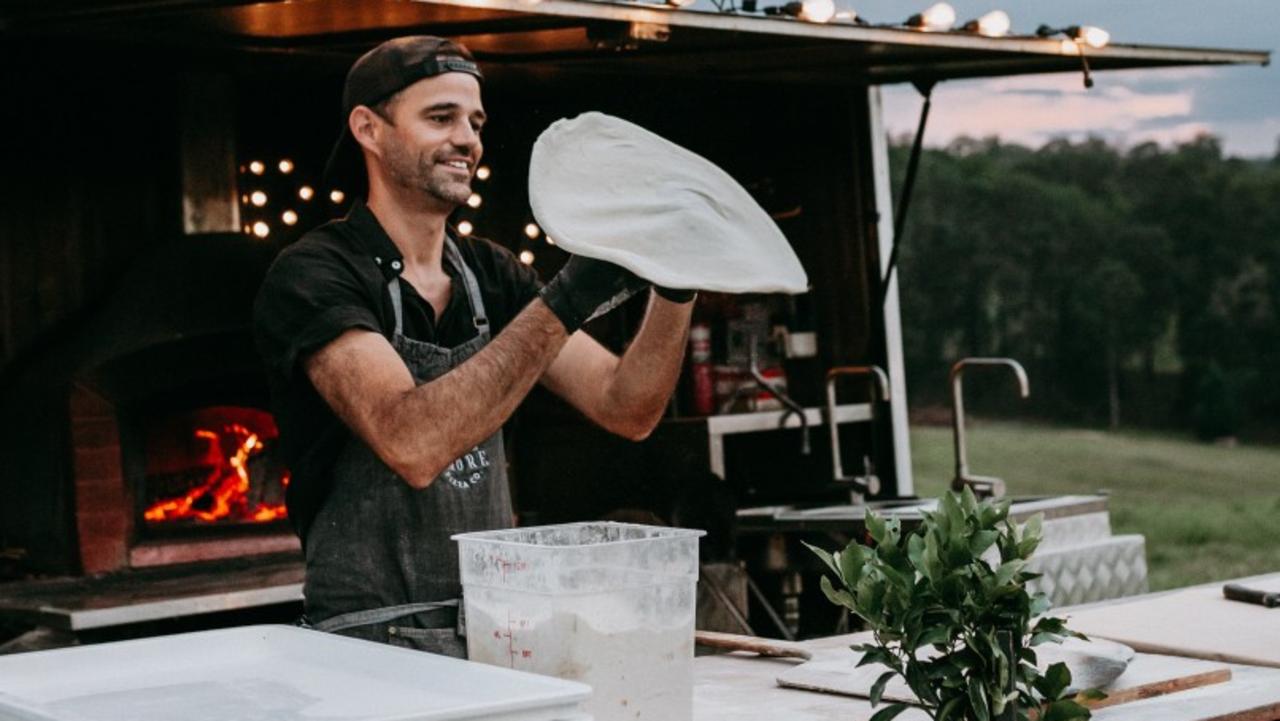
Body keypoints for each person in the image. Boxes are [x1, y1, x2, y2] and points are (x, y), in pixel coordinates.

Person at [252, 36, 695, 657]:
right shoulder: (317, 274)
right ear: (368, 129)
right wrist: (564, 302)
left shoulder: (491, 273)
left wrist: (677, 289)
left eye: (475, 121)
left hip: (498, 628)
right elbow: (410, 442)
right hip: (369, 647)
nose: (468, 139)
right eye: (440, 117)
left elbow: (627, 407)